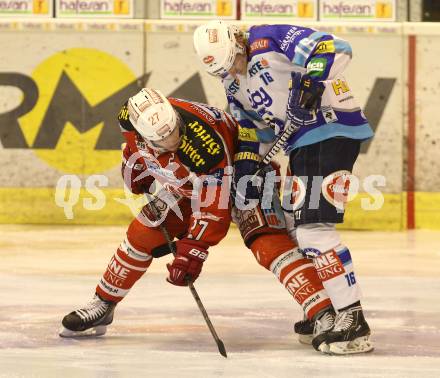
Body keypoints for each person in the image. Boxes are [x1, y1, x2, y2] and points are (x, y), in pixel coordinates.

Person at [59, 88, 332, 342]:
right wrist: (137, 167)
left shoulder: (203, 145)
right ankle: (103, 303)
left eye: (174, 131)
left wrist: (192, 250)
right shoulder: (129, 119)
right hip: (191, 183)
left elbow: (215, 209)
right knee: (144, 231)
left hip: (248, 176)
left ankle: (323, 312)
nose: (172, 140)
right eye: (161, 139)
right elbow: (132, 148)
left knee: (268, 244)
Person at [193, 20, 374, 355]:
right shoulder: (232, 82)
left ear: (237, 40)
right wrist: (248, 162)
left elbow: (333, 47)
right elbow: (253, 127)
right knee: (294, 225)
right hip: (301, 145)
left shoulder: (268, 38)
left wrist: (311, 83)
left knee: (314, 231)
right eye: (226, 67)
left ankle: (353, 318)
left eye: (234, 59)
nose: (234, 68)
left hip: (330, 129)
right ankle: (333, 310)